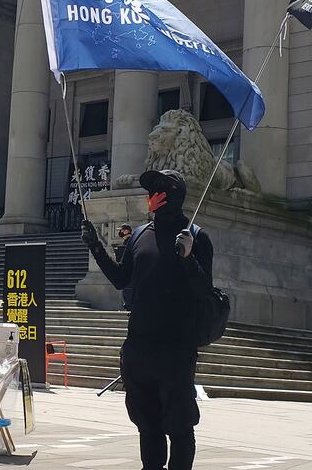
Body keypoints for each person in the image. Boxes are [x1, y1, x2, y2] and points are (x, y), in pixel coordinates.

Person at [81, 169, 213, 470]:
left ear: (165, 196)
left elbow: (205, 290)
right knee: (148, 425)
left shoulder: (196, 237)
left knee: (179, 428)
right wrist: (95, 245)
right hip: (139, 348)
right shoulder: (141, 234)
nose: (147, 197)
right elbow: (120, 279)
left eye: (152, 191)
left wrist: (189, 258)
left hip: (176, 350)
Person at [114, 223, 134, 311]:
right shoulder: (127, 240)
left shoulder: (130, 240)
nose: (120, 232)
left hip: (130, 273)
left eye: (121, 230)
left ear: (126, 231)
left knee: (128, 290)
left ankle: (129, 307)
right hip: (127, 272)